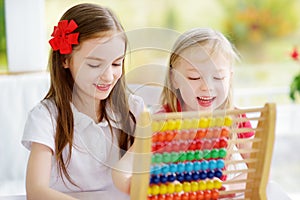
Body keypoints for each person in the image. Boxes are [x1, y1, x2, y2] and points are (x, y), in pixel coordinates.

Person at [21, 3, 143, 200]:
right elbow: (36, 191)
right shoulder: (46, 117)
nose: (108, 76)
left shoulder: (134, 110)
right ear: (65, 60)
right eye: (94, 64)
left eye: (116, 63)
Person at [158, 27, 254, 196]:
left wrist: (230, 187)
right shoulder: (163, 122)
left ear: (230, 78)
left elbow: (259, 170)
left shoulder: (235, 118)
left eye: (218, 77)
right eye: (194, 77)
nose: (207, 87)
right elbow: (149, 168)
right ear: (174, 79)